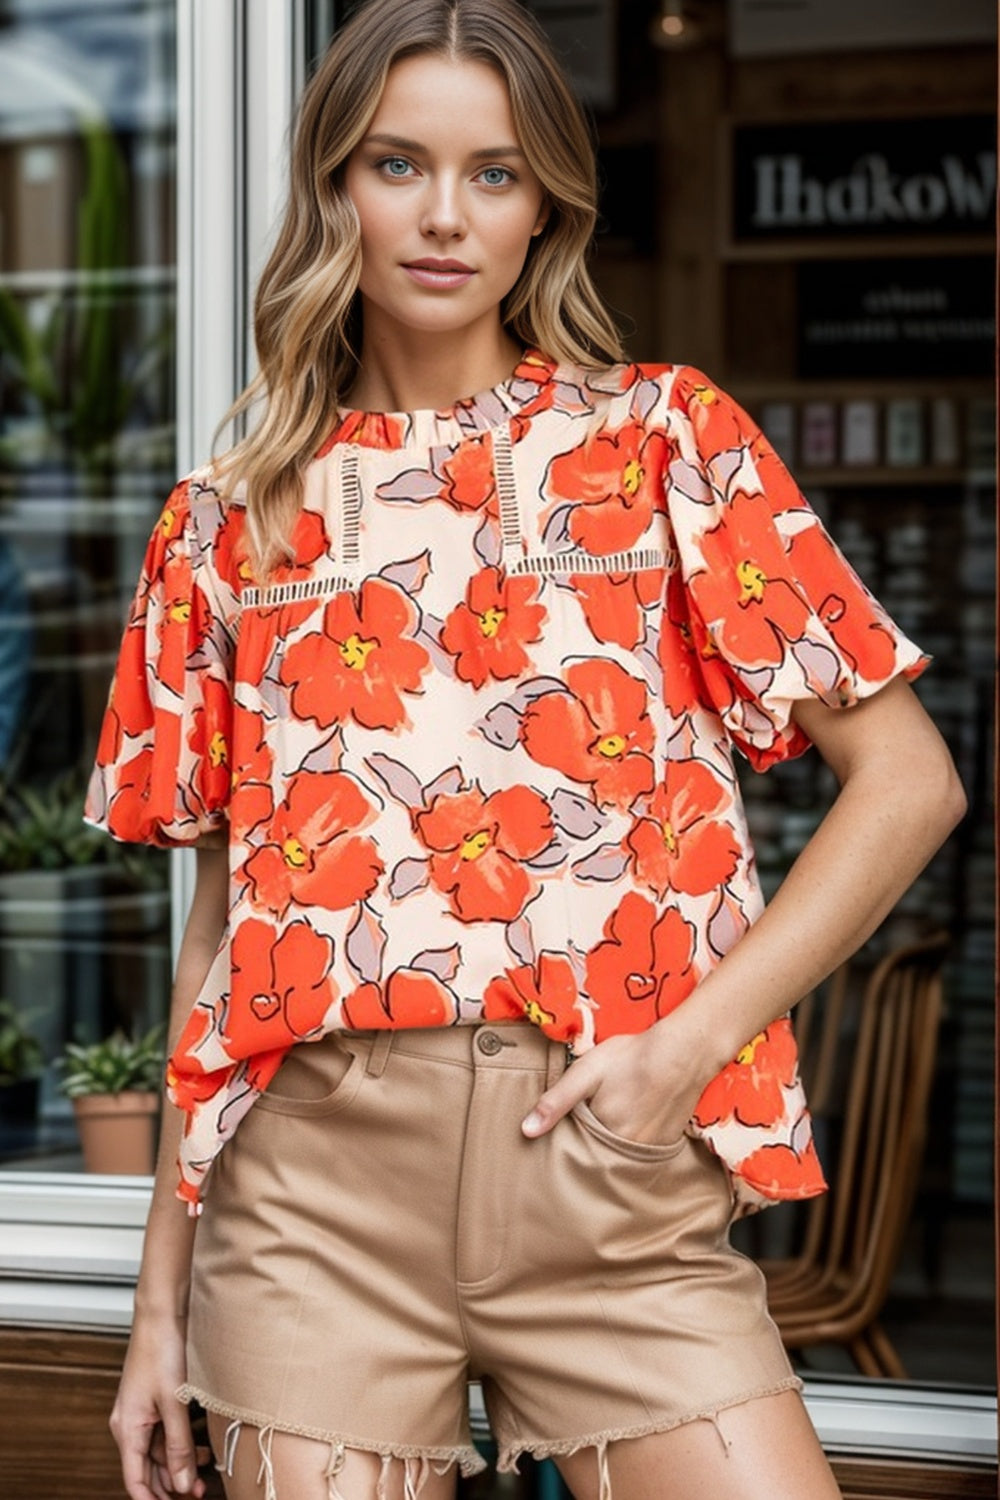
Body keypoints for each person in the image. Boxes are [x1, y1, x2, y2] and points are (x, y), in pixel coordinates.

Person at [84, 3, 966, 1498]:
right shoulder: (228, 524)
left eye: (494, 173)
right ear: (329, 189)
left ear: (546, 201)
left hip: (610, 1184)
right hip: (314, 1206)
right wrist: (156, 1309)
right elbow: (225, 930)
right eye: (397, 165)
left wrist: (684, 1048)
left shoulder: (664, 446)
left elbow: (912, 782)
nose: (444, 216)